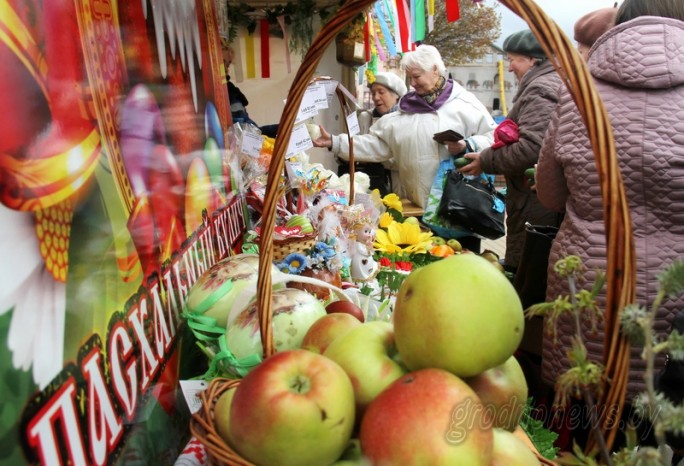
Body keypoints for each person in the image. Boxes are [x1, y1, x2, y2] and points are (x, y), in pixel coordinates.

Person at [536, 0, 684, 413]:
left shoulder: (576, 92)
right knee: (659, 422)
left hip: (585, 282)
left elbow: (548, 194)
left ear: (620, 19)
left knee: (582, 418)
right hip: (672, 296)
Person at [312, 44, 496, 252]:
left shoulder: (465, 105)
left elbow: (493, 136)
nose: (413, 83)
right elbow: (378, 146)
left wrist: (467, 145)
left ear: (435, 70)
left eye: (417, 76)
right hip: (419, 212)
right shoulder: (405, 112)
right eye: (410, 78)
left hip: (462, 212)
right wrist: (335, 142)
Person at [458, 30, 563, 273]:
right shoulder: (544, 85)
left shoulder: (541, 90)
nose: (509, 67)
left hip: (537, 205)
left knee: (529, 275)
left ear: (533, 60)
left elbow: (532, 148)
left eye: (513, 59)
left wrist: (487, 160)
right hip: (533, 201)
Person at [337, 72, 407, 195]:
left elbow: (403, 158)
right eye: (373, 93)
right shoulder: (365, 117)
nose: (376, 97)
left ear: (396, 95)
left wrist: (371, 155)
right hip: (368, 185)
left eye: (381, 92)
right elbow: (354, 147)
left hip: (397, 187)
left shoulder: (405, 120)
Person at [220, 40, 278, 138]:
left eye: (228, 65)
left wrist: (285, 130)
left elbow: (251, 131)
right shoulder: (223, 94)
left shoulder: (231, 92)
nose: (226, 69)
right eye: (222, 62)